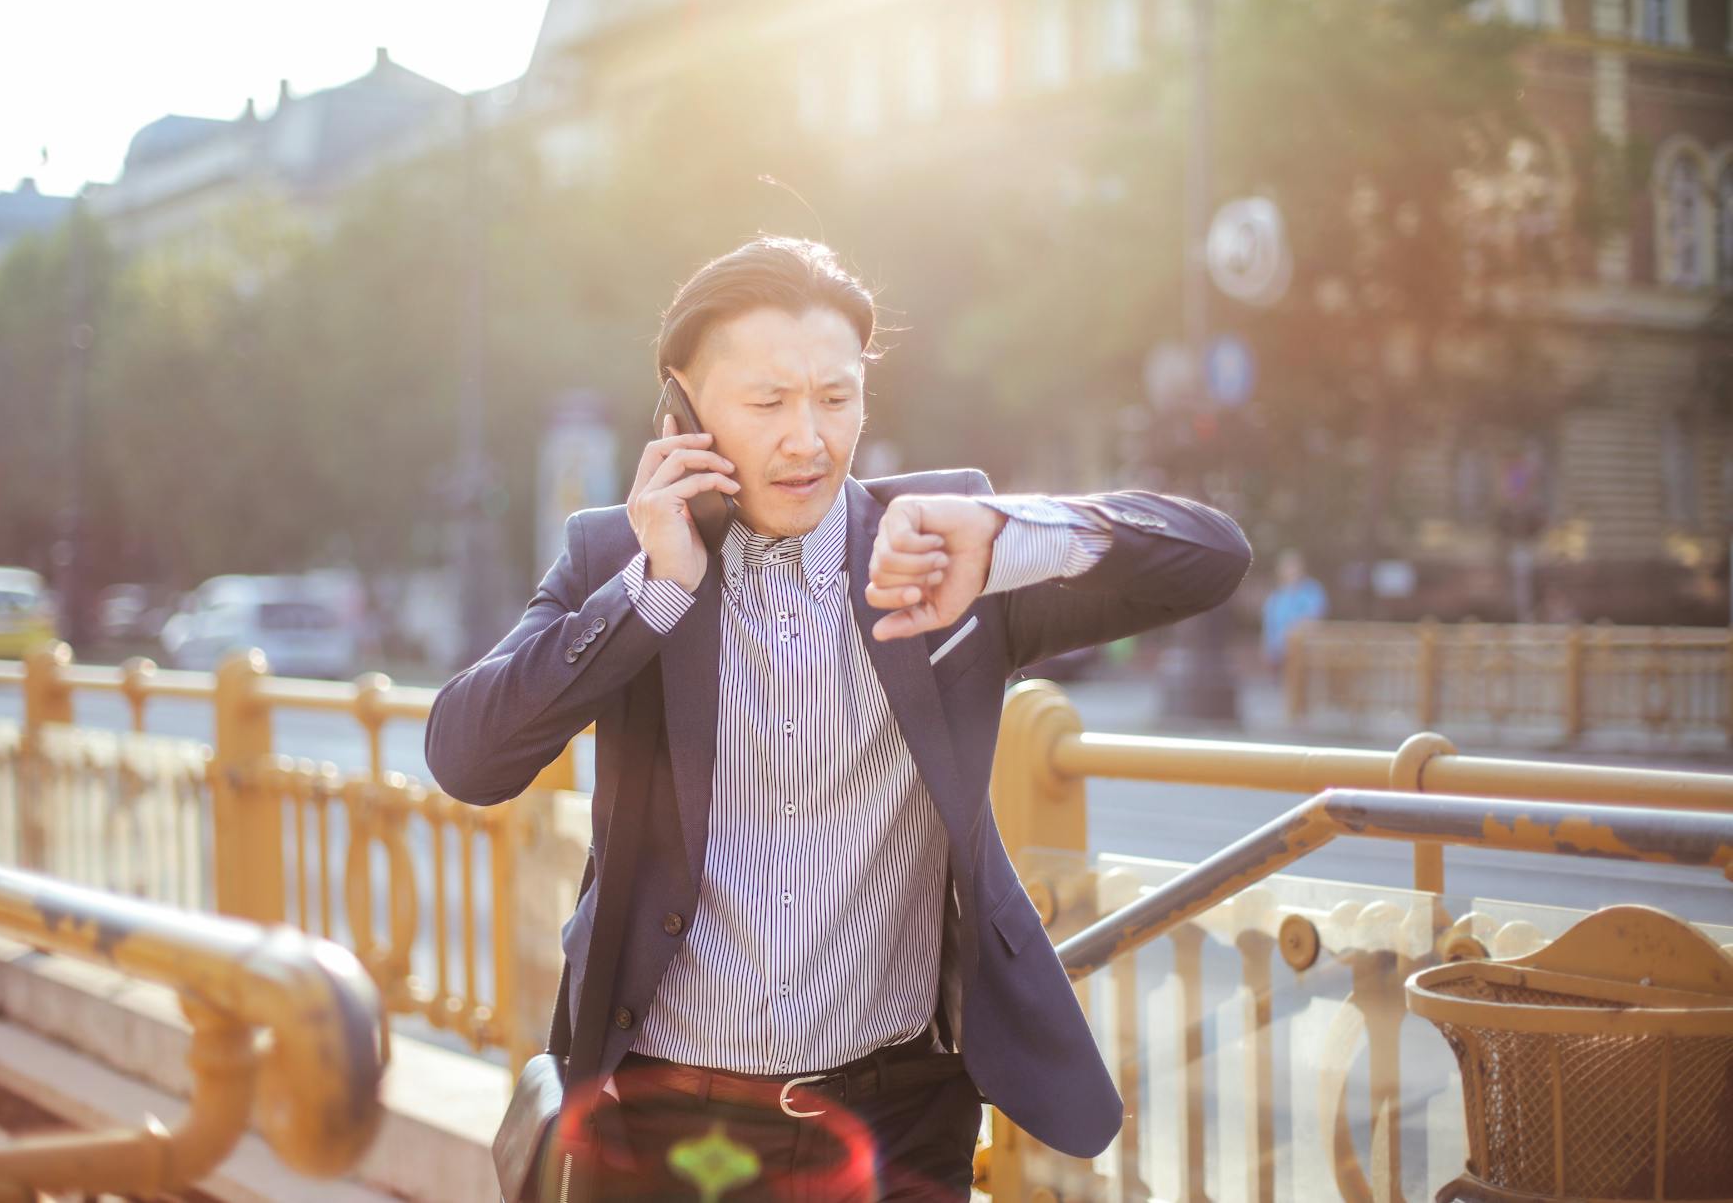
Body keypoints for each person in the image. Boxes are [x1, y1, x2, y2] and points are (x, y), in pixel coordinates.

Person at [425, 237, 1251, 1200]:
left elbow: (1212, 556)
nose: (807, 440)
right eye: (767, 403)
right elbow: (466, 755)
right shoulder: (618, 553)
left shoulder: (941, 548)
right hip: (661, 1132)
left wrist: (1010, 535)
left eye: (836, 397)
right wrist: (649, 593)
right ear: (682, 410)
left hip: (892, 1126)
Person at [1260, 549, 1326, 671]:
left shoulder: (1311, 590)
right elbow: (1269, 627)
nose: (1290, 570)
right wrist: (1268, 650)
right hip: (1280, 655)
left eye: (1293, 566)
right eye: (1287, 567)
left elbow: (1314, 617)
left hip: (1305, 653)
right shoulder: (1275, 597)